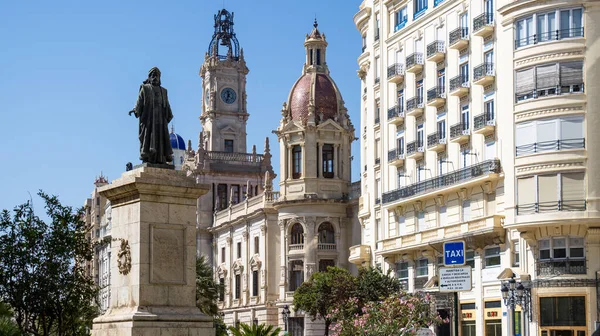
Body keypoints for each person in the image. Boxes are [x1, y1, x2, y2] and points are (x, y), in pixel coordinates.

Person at [129, 67, 174, 164]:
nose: (155, 78)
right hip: (149, 119)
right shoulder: (145, 89)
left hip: (161, 119)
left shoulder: (164, 91)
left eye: (157, 76)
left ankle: (160, 159)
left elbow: (167, 104)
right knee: (149, 138)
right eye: (153, 75)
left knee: (160, 138)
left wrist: (169, 113)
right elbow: (139, 101)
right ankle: (148, 158)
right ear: (149, 77)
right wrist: (135, 109)